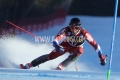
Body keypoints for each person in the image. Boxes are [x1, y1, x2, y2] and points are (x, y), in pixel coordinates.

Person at [20, 17, 106, 70]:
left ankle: (62, 66)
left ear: (79, 28)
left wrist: (101, 56)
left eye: (74, 28)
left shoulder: (85, 34)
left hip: (76, 48)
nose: (72, 29)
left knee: (80, 51)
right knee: (50, 57)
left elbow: (95, 44)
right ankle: (30, 64)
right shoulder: (66, 30)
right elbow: (56, 39)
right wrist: (57, 45)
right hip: (66, 45)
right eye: (71, 27)